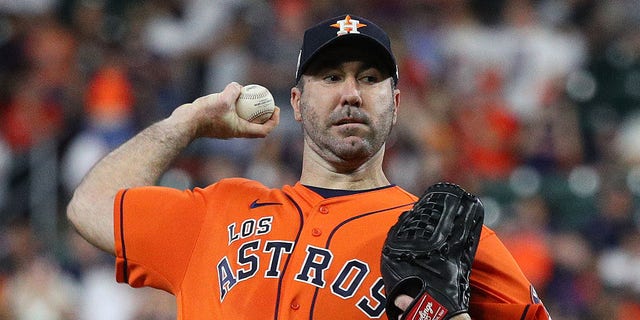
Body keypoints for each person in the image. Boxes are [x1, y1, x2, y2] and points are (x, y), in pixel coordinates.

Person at [67, 14, 551, 319]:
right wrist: (184, 124)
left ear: (396, 103)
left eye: (369, 78)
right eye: (331, 76)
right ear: (296, 102)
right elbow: (89, 206)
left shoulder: (443, 240)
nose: (350, 93)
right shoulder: (218, 211)